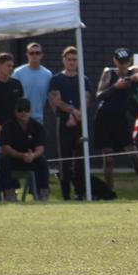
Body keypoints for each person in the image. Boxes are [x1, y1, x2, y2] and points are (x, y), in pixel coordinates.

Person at [94, 48, 138, 200]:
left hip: (121, 120)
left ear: (129, 61)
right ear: (115, 61)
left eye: (126, 62)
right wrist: (116, 87)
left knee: (133, 154)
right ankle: (110, 191)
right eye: (120, 62)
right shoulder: (109, 73)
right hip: (104, 118)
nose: (123, 65)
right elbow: (99, 95)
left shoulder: (134, 71)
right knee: (108, 158)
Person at [48, 46, 92, 200]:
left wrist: (78, 115)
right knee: (65, 159)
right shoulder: (56, 79)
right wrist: (73, 112)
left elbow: (86, 99)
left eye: (75, 60)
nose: (72, 62)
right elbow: (56, 100)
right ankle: (66, 194)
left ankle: (80, 192)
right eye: (69, 59)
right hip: (64, 122)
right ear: (64, 60)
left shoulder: (84, 79)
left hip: (80, 122)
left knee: (80, 159)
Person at [0, 97, 50, 202]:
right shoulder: (8, 126)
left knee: (42, 161)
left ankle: (43, 192)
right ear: (15, 111)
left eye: (26, 109)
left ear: (31, 111)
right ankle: (9, 193)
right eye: (20, 110)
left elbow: (41, 147)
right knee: (4, 161)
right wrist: (22, 155)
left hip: (31, 158)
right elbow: (6, 148)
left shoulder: (38, 127)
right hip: (14, 158)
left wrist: (33, 155)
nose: (23, 112)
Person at [12, 41, 52, 123]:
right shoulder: (18, 73)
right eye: (31, 53)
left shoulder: (47, 74)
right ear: (27, 54)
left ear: (41, 55)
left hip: (39, 120)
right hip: (19, 120)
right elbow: (11, 96)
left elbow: (52, 98)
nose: (34, 55)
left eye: (37, 53)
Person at [0, 52, 24, 137]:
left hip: (15, 130)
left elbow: (20, 106)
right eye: (8, 66)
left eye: (12, 66)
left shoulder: (16, 84)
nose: (11, 68)